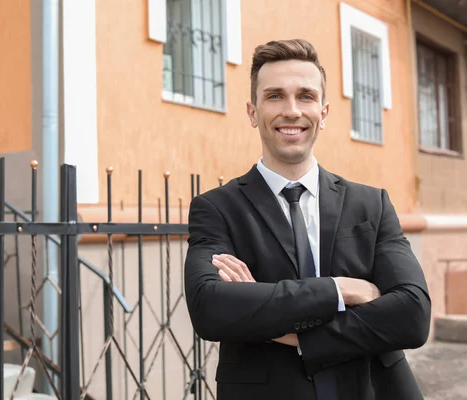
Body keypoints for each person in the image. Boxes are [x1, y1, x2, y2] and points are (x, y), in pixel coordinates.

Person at [184, 39, 431, 400]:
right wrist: (339, 289)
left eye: (305, 96)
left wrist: (288, 329)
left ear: (324, 112)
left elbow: (412, 314)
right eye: (274, 96)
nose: (292, 110)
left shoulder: (371, 205)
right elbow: (211, 307)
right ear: (252, 113)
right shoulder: (216, 209)